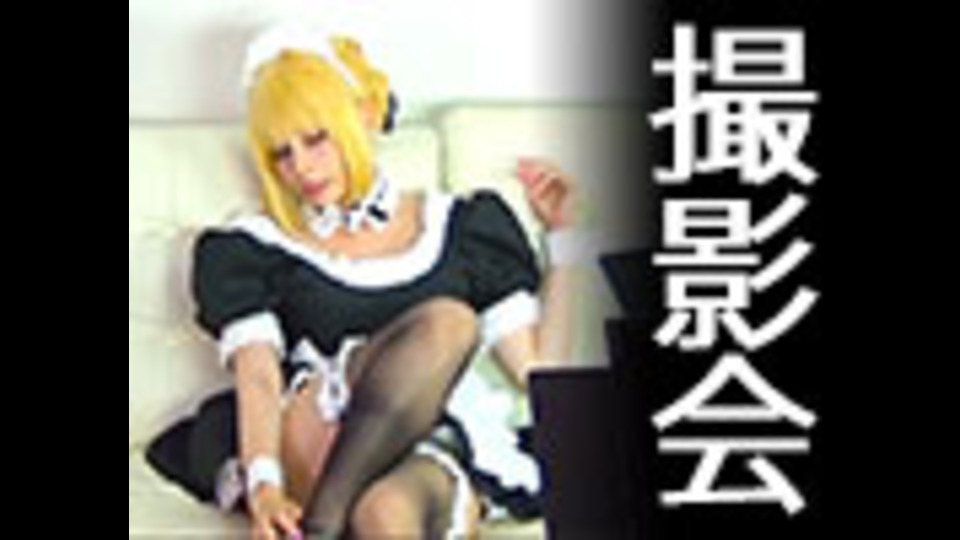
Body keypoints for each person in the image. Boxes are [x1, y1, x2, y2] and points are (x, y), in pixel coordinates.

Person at [148, 23, 583, 540]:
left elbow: (539, 374)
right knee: (448, 322)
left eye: (315, 139)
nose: (301, 167)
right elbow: (259, 375)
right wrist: (264, 484)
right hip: (315, 430)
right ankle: (325, 522)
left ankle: (324, 527)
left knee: (388, 513)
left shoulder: (462, 228)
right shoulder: (257, 245)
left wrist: (569, 238)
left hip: (426, 444)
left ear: (365, 116)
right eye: (281, 153)